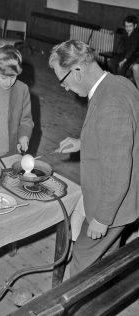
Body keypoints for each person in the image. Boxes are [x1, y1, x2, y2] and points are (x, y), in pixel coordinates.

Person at [49, 39, 139, 276]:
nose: (65, 88)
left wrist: (102, 219)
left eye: (62, 80)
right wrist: (82, 143)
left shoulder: (109, 105)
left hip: (110, 205)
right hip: (119, 201)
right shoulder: (118, 83)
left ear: (77, 71)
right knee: (106, 264)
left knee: (81, 267)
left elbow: (118, 172)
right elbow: (121, 140)